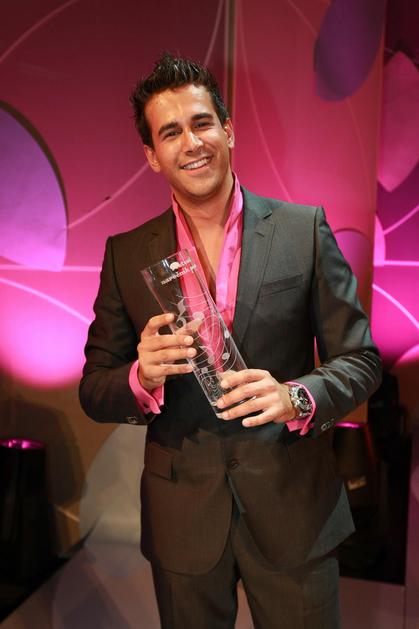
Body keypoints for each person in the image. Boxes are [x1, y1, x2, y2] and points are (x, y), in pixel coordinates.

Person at [79, 53, 382, 629]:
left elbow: (361, 359)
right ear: (152, 155)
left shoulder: (303, 229)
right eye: (171, 132)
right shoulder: (126, 253)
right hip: (183, 516)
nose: (192, 143)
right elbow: (94, 388)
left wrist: (296, 396)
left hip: (294, 509)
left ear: (229, 130)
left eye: (202, 123)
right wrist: (141, 377)